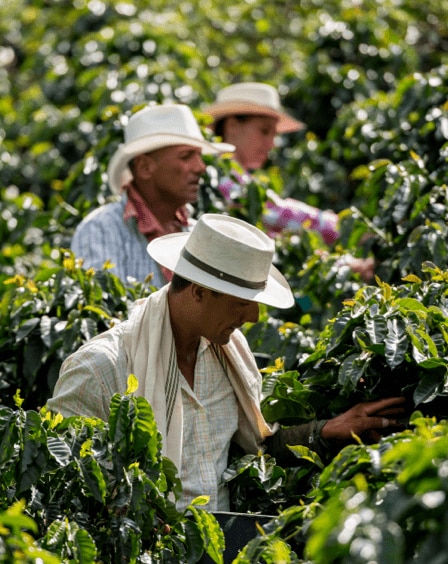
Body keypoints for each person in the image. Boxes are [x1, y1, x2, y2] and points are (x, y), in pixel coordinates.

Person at [47, 213, 404, 512]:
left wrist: (326, 430)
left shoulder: (227, 353)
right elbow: (61, 489)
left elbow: (259, 443)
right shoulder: (100, 369)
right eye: (241, 302)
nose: (254, 316)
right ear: (198, 292)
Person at [203, 82, 375, 280]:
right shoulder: (218, 172)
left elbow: (273, 240)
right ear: (233, 126)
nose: (272, 143)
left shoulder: (241, 177)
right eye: (264, 131)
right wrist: (347, 230)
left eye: (274, 134)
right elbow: (274, 212)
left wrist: (340, 264)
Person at [70, 104, 234, 285]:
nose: (200, 167)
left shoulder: (197, 234)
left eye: (199, 156)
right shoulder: (101, 230)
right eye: (186, 156)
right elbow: (105, 309)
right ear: (144, 167)